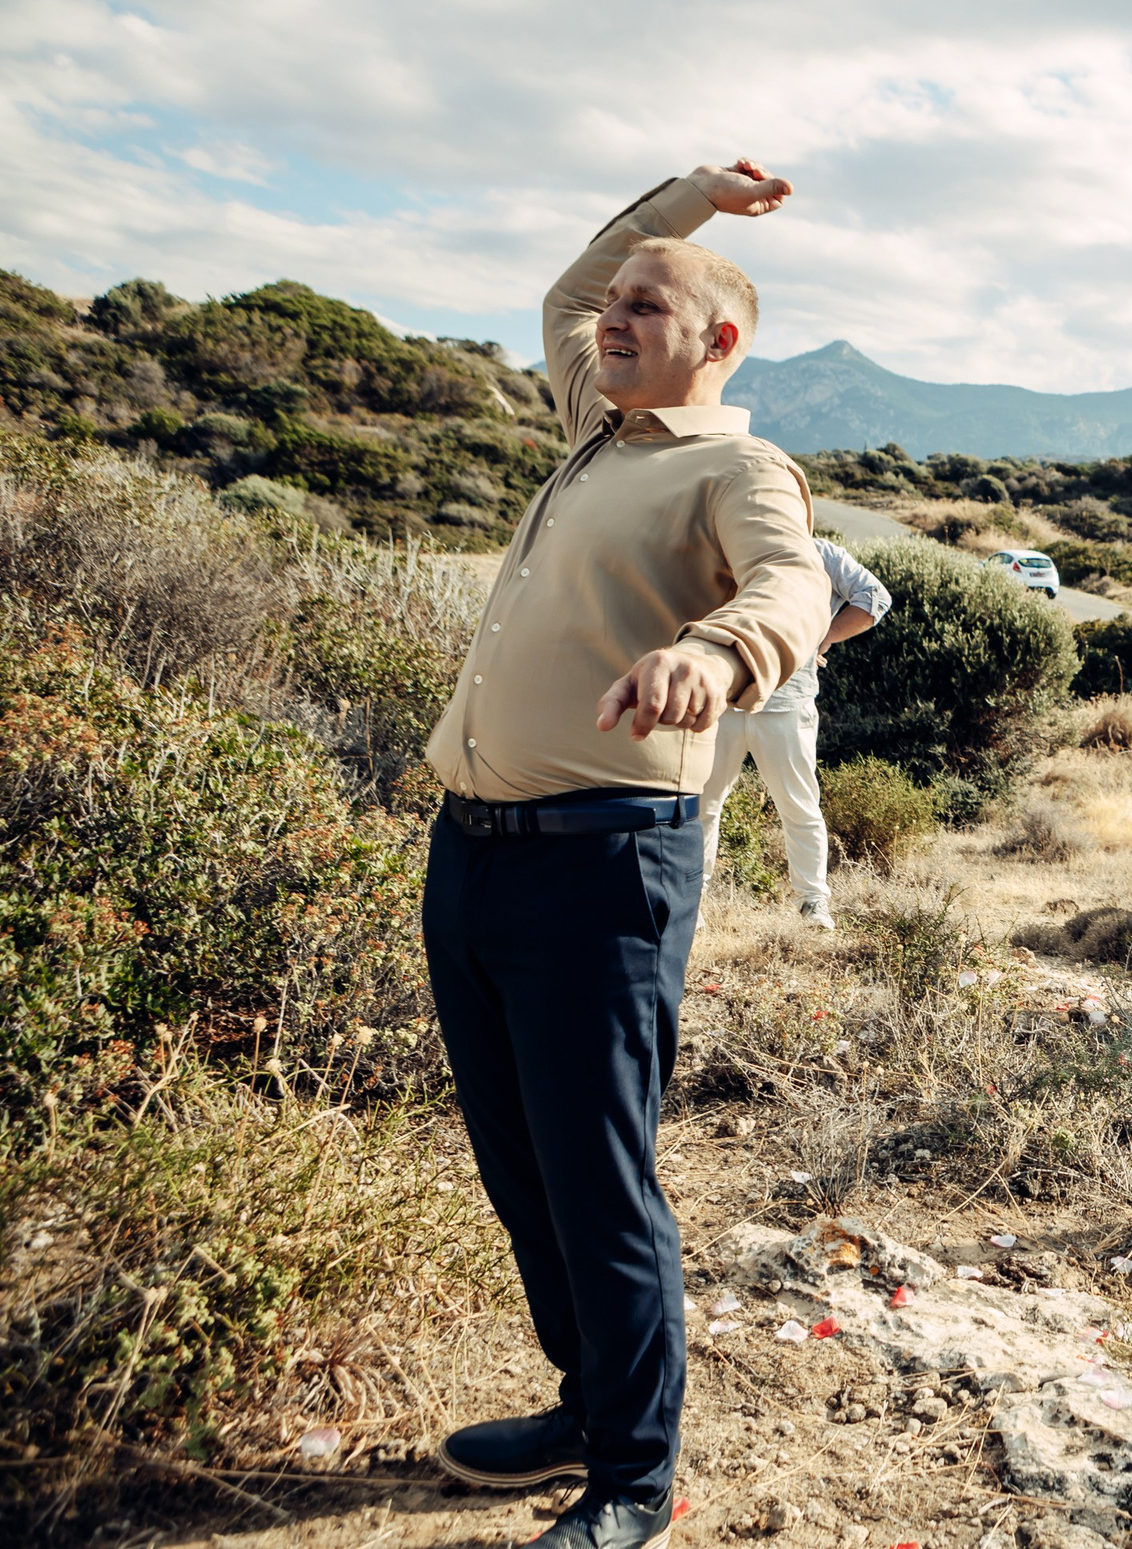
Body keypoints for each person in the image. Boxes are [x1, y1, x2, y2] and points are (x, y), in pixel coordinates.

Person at [424, 160, 828, 1549]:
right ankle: (588, 1399)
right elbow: (567, 280)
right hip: (472, 851)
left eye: (647, 305)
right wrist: (686, 200)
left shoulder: (737, 466)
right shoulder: (594, 427)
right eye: (618, 300)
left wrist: (715, 652)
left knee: (598, 1173)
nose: (613, 315)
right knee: (520, 1159)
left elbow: (795, 584)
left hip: (604, 864)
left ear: (715, 341)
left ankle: (634, 1477)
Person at [697, 535, 892, 929]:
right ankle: (691, 902)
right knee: (702, 805)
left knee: (799, 807)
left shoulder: (822, 552)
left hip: (788, 703)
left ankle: (812, 903)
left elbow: (875, 598)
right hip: (722, 698)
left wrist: (824, 637)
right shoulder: (724, 543)